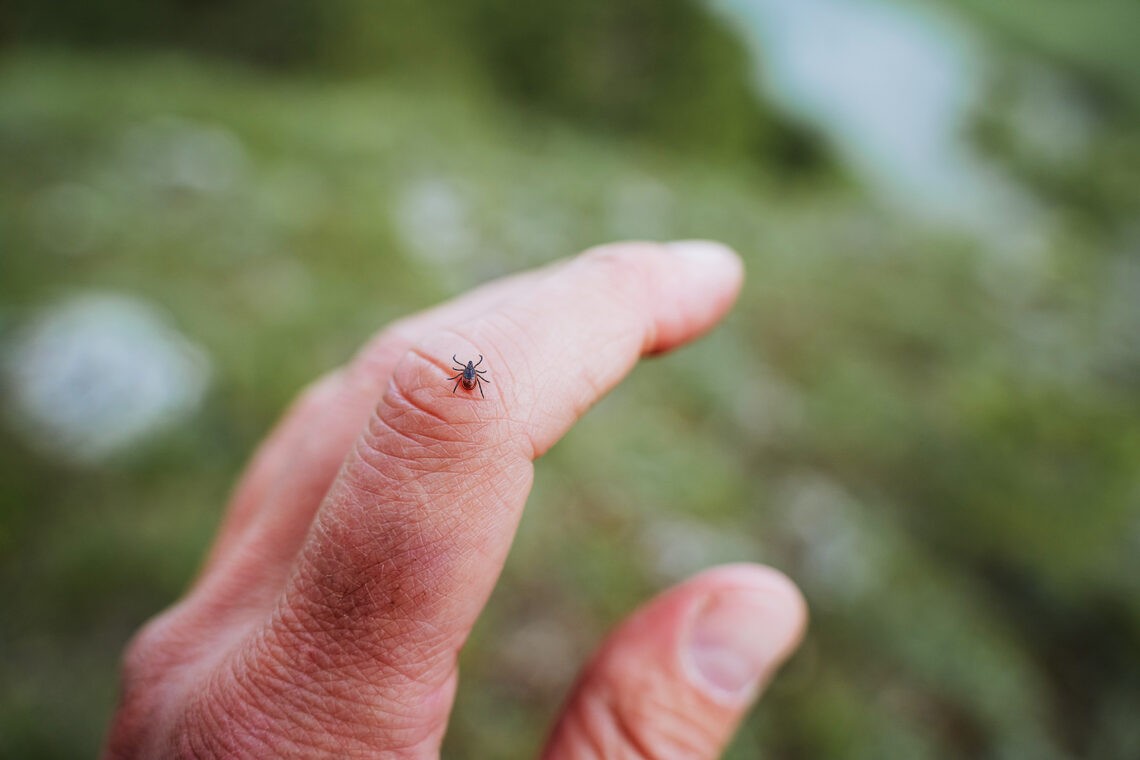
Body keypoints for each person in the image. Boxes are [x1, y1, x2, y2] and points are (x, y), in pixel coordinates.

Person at [102, 241, 808, 758]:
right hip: (469, 389)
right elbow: (467, 382)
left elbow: (467, 382)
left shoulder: (466, 378)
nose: (468, 376)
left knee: (456, 393)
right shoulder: (467, 379)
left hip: (468, 387)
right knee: (458, 393)